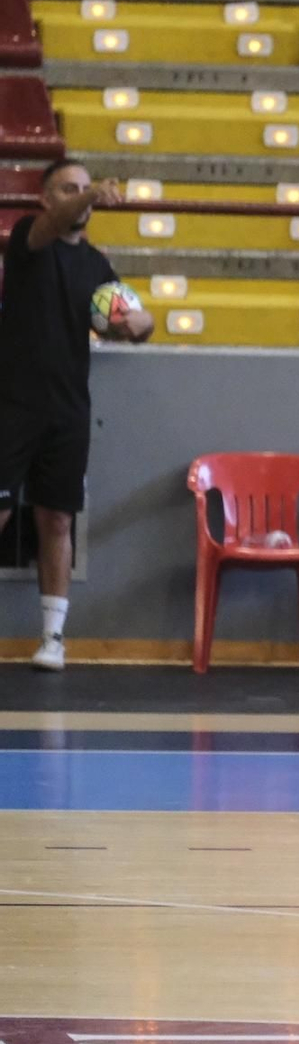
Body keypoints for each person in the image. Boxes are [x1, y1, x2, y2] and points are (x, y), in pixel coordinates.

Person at [0, 159, 153, 671]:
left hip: (69, 410)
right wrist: (91, 198)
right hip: (12, 403)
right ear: (46, 198)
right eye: (70, 189)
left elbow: (134, 320)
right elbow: (51, 225)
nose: (81, 197)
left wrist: (140, 323)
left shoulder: (97, 267)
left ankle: (53, 638)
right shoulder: (28, 237)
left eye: (87, 189)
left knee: (58, 519)